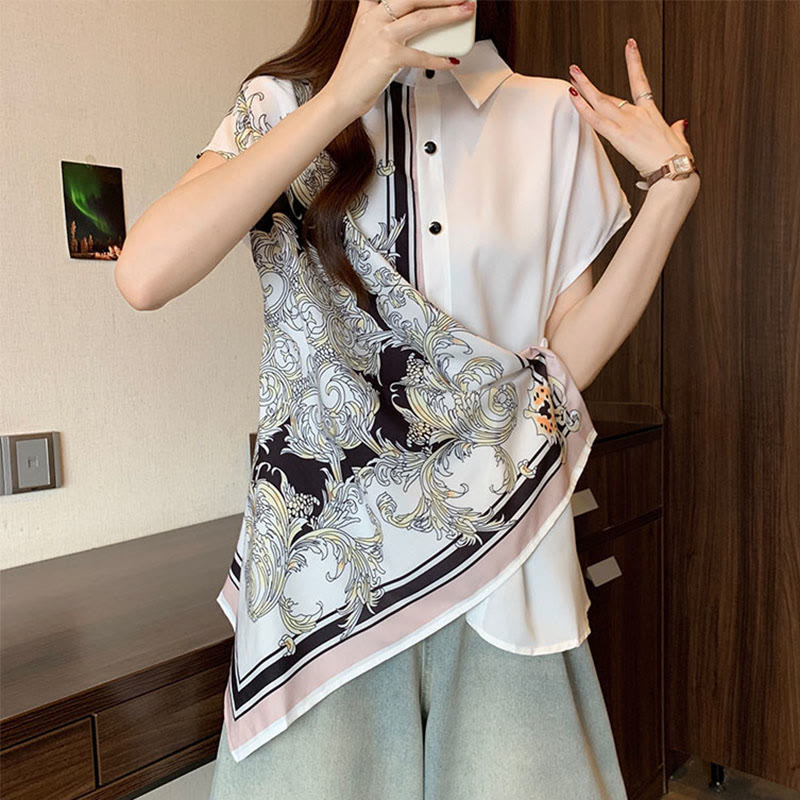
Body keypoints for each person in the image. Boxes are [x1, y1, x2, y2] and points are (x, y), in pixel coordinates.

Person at [114, 1, 700, 797]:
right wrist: (339, 97)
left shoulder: (547, 117)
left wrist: (670, 193)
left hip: (503, 555)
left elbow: (565, 366)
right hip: (324, 582)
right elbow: (145, 273)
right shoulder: (282, 105)